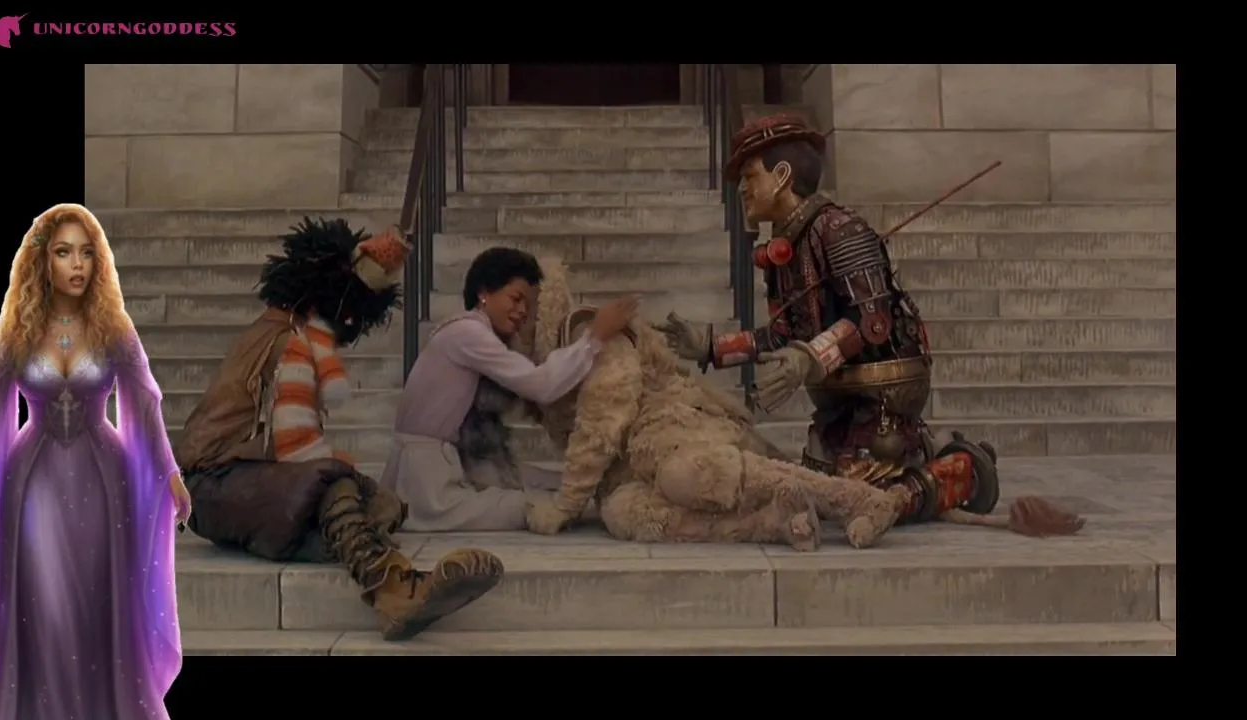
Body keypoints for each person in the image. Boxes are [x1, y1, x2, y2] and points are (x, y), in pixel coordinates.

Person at [655, 114, 1084, 537]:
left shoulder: (840, 231)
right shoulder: (785, 248)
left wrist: (807, 359)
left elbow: (872, 322)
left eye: (750, 176)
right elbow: (786, 333)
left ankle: (963, 469)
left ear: (782, 176)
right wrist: (712, 346)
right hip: (836, 397)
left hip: (884, 391)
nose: (742, 188)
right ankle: (923, 457)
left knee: (859, 487)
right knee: (821, 482)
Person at [174, 218, 505, 642]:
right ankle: (393, 588)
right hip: (210, 485)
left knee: (383, 503)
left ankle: (345, 551)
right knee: (333, 481)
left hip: (230, 489)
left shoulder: (287, 331)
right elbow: (291, 450)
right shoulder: (285, 343)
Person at [509, 257, 903, 549]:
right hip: (631, 469)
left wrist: (567, 504)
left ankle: (859, 500)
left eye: (520, 303)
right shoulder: (545, 365)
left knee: (685, 472)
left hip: (675, 426)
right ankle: (772, 520)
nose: (515, 318)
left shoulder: (582, 329)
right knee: (624, 512)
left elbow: (604, 417)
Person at [0, 203, 185, 718]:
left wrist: (170, 473)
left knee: (97, 600)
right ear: (43, 261)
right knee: (43, 602)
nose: (77, 264)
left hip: (106, 484)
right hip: (33, 484)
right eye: (64, 253)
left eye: (86, 253)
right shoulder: (16, 330)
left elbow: (145, 404)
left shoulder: (114, 328)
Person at [381, 247, 638, 531]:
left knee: (550, 481)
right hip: (428, 484)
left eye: (528, 304)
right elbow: (541, 385)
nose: (523, 311)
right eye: (516, 299)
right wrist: (595, 336)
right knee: (533, 503)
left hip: (440, 463)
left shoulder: (467, 332)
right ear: (484, 293)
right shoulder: (467, 333)